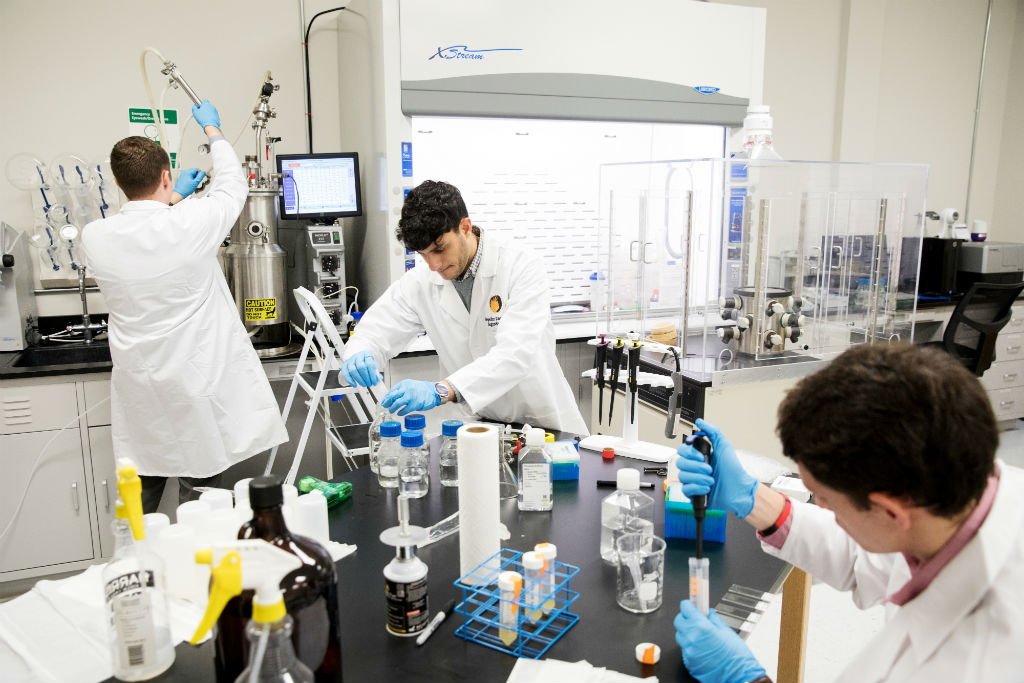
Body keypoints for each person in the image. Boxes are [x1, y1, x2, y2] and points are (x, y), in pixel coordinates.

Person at [672, 342, 1023, 683]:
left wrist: (747, 680)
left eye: (825, 498)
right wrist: (751, 498)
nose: (821, 507)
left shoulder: (984, 657)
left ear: (889, 511)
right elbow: (867, 558)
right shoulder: (953, 497)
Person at [82, 100, 288, 513]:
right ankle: (198, 570)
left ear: (119, 184)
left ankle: (138, 567)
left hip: (142, 392)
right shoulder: (192, 221)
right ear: (164, 174)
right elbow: (233, 183)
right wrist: (212, 130)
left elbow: (145, 232)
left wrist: (173, 197)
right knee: (200, 505)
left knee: (139, 505)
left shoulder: (95, 235)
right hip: (194, 387)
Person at [341, 180, 587, 434]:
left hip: (539, 423)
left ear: (465, 227)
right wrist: (361, 353)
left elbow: (515, 354)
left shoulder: (520, 265)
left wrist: (441, 390)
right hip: (478, 425)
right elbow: (374, 331)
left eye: (439, 249)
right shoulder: (420, 283)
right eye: (424, 255)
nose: (434, 264)